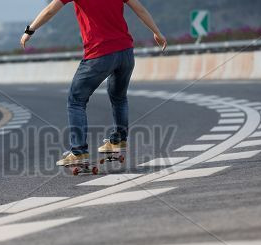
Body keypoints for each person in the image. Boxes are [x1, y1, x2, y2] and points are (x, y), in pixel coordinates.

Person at [20, 0, 167, 166]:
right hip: (125, 52)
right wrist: (157, 32)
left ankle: (79, 151)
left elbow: (49, 11)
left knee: (76, 100)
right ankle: (118, 140)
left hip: (99, 54)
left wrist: (29, 30)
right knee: (119, 97)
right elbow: (139, 9)